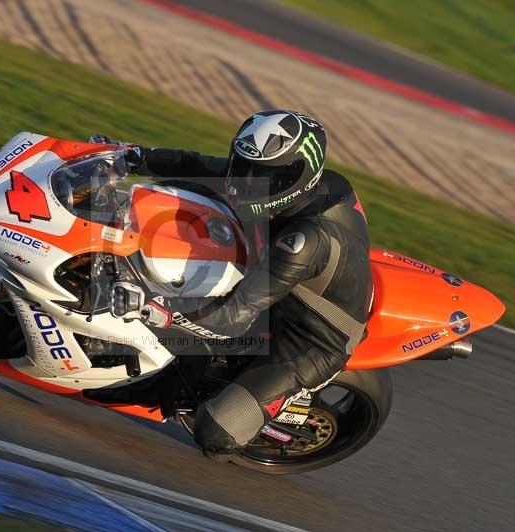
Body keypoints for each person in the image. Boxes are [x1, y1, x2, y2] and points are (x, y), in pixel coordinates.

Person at [89, 109, 373, 458]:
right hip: (277, 280)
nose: (247, 180)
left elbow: (231, 318)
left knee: (215, 433)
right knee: (182, 194)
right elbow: (202, 166)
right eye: (245, 166)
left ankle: (283, 406)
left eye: (265, 174)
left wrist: (150, 307)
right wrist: (133, 156)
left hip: (308, 338)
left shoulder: (303, 241)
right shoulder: (296, 185)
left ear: (298, 175)